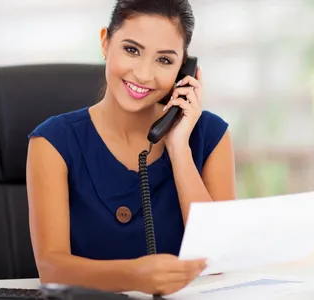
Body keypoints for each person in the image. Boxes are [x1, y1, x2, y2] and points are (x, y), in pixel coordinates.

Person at [26, 0, 236, 296]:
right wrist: (134, 276)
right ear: (105, 42)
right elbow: (51, 268)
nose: (144, 74)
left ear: (183, 70)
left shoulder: (210, 136)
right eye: (132, 50)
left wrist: (179, 149)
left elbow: (218, 260)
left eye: (164, 60)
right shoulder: (53, 141)